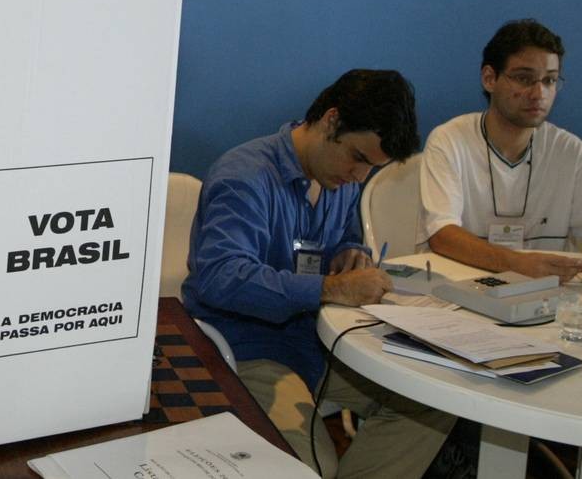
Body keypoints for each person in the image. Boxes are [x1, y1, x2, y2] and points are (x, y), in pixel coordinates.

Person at [182, 70, 455, 478]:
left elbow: (344, 233)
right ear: (331, 121)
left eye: (371, 168)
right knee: (312, 469)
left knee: (430, 402)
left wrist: (351, 252)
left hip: (318, 345)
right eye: (359, 158)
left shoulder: (338, 178)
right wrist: (331, 287)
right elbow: (222, 277)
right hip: (246, 351)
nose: (359, 177)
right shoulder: (244, 177)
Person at [418, 19, 582, 287]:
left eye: (550, 80)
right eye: (524, 78)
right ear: (489, 78)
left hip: (546, 301)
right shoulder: (450, 140)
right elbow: (442, 234)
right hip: (461, 293)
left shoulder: (568, 149)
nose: (538, 93)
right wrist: (518, 264)